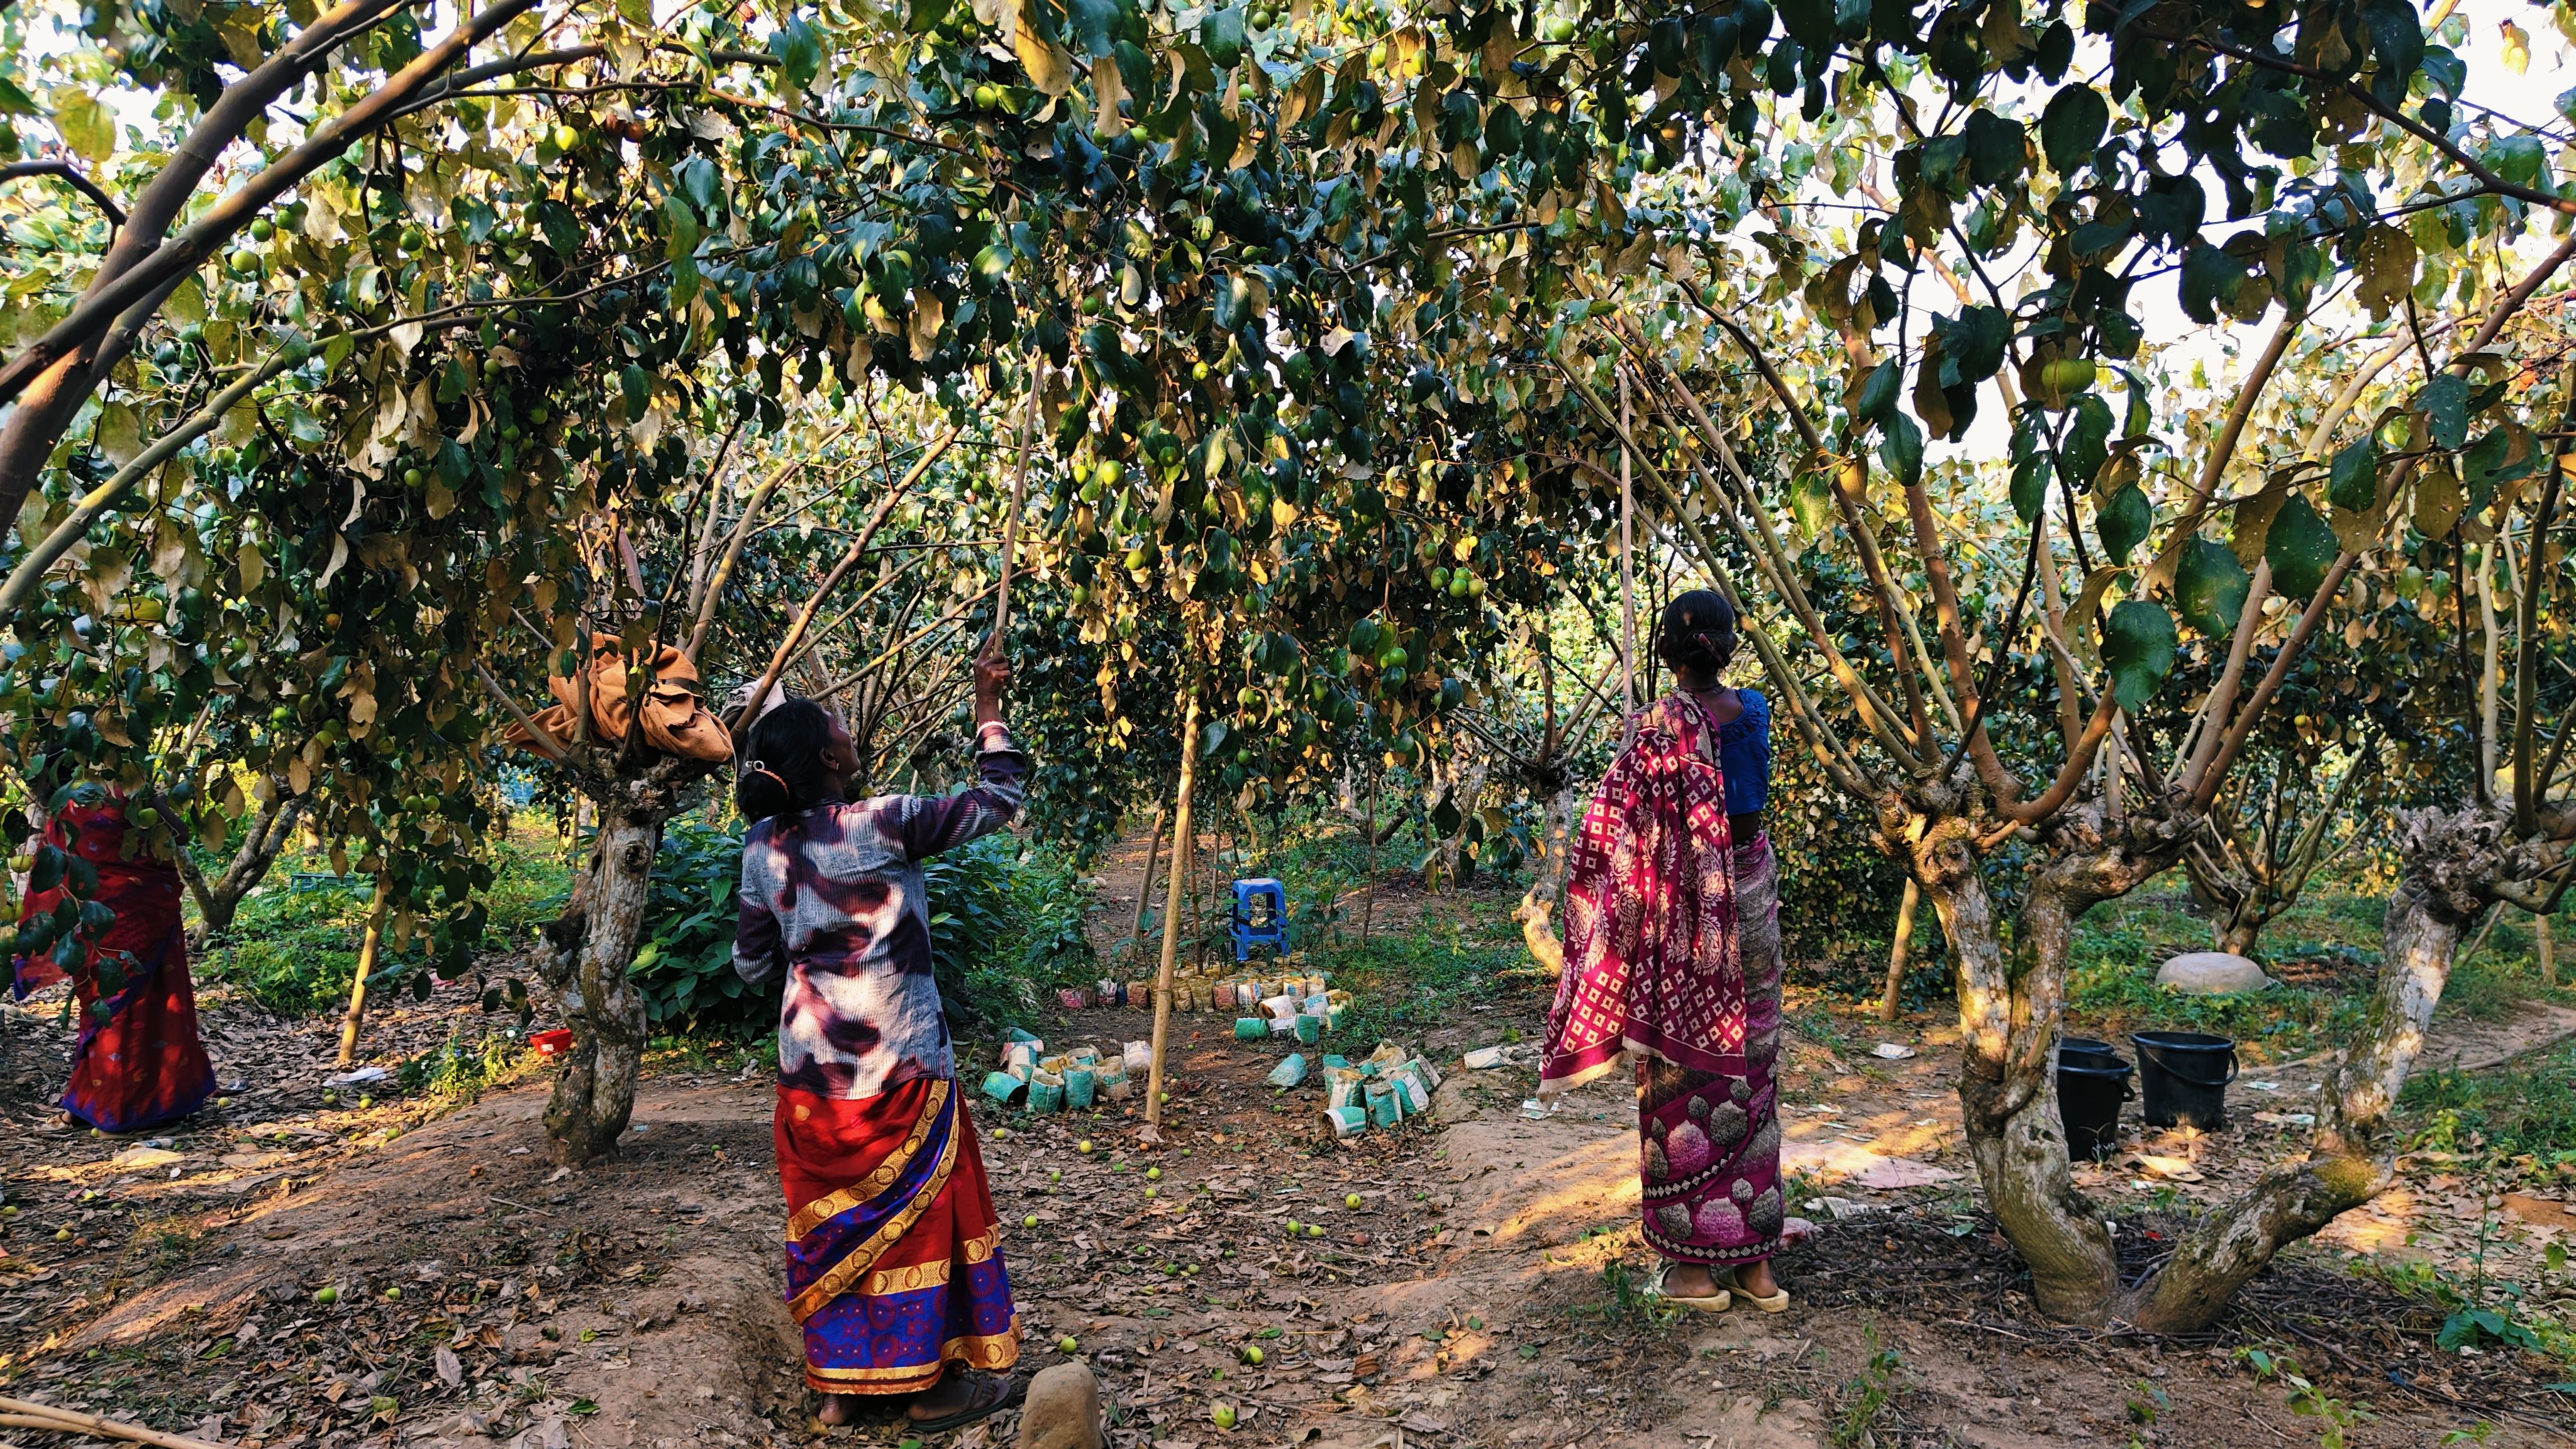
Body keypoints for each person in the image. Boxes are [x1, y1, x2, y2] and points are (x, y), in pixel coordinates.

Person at [732, 653, 1025, 1430]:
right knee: (918, 1220)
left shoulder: (760, 847)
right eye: (840, 727)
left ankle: (839, 1391)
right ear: (829, 760)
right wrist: (987, 706)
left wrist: (807, 939)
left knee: (832, 1226)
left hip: (810, 1082)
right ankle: (925, 1391)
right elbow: (998, 797)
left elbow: (751, 964)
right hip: (900, 1065)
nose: (851, 733)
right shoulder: (885, 822)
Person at [1537, 589, 1787, 1314]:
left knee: (1681, 1076)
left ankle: (1692, 1275)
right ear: (1729, 646)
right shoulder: (1755, 712)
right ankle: (1756, 1270)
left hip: (1684, 917)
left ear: (1665, 655)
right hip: (1750, 899)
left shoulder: (1651, 729)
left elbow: (1617, 835)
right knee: (1753, 1075)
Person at [9, 790, 215, 1133]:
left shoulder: (113, 793)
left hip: (140, 913)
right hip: (112, 916)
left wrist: (150, 799)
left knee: (135, 1007)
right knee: (115, 1009)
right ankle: (105, 1105)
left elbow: (179, 835)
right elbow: (179, 835)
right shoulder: (76, 798)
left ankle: (120, 1106)